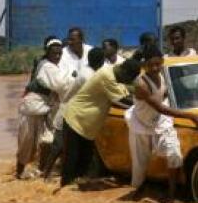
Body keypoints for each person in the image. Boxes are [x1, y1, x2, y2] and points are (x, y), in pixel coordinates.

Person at [126, 47, 198, 203]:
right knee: (140, 164)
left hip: (160, 120)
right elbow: (160, 107)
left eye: (158, 64)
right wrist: (190, 115)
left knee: (174, 153)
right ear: (144, 65)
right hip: (141, 123)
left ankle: (172, 193)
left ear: (162, 62)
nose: (155, 68)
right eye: (151, 65)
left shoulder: (164, 75)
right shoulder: (140, 84)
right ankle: (140, 190)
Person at [59, 55, 144, 187]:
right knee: (71, 162)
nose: (128, 82)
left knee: (84, 164)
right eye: (128, 79)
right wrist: (147, 103)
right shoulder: (107, 76)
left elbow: (130, 90)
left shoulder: (117, 77)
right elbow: (123, 100)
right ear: (124, 72)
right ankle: (63, 193)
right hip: (76, 120)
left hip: (88, 127)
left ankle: (76, 199)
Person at [41, 47, 107, 180]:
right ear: (100, 62)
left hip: (75, 112)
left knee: (72, 147)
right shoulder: (88, 75)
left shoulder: (90, 71)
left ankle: (69, 174)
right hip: (68, 111)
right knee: (59, 146)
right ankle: (47, 174)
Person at [16, 38, 75, 179]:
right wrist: (75, 78)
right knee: (27, 142)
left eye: (60, 54)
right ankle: (19, 173)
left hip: (46, 108)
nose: (58, 56)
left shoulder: (51, 65)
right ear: (47, 52)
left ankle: (43, 171)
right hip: (33, 108)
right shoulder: (47, 67)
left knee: (48, 140)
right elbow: (61, 85)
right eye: (54, 53)